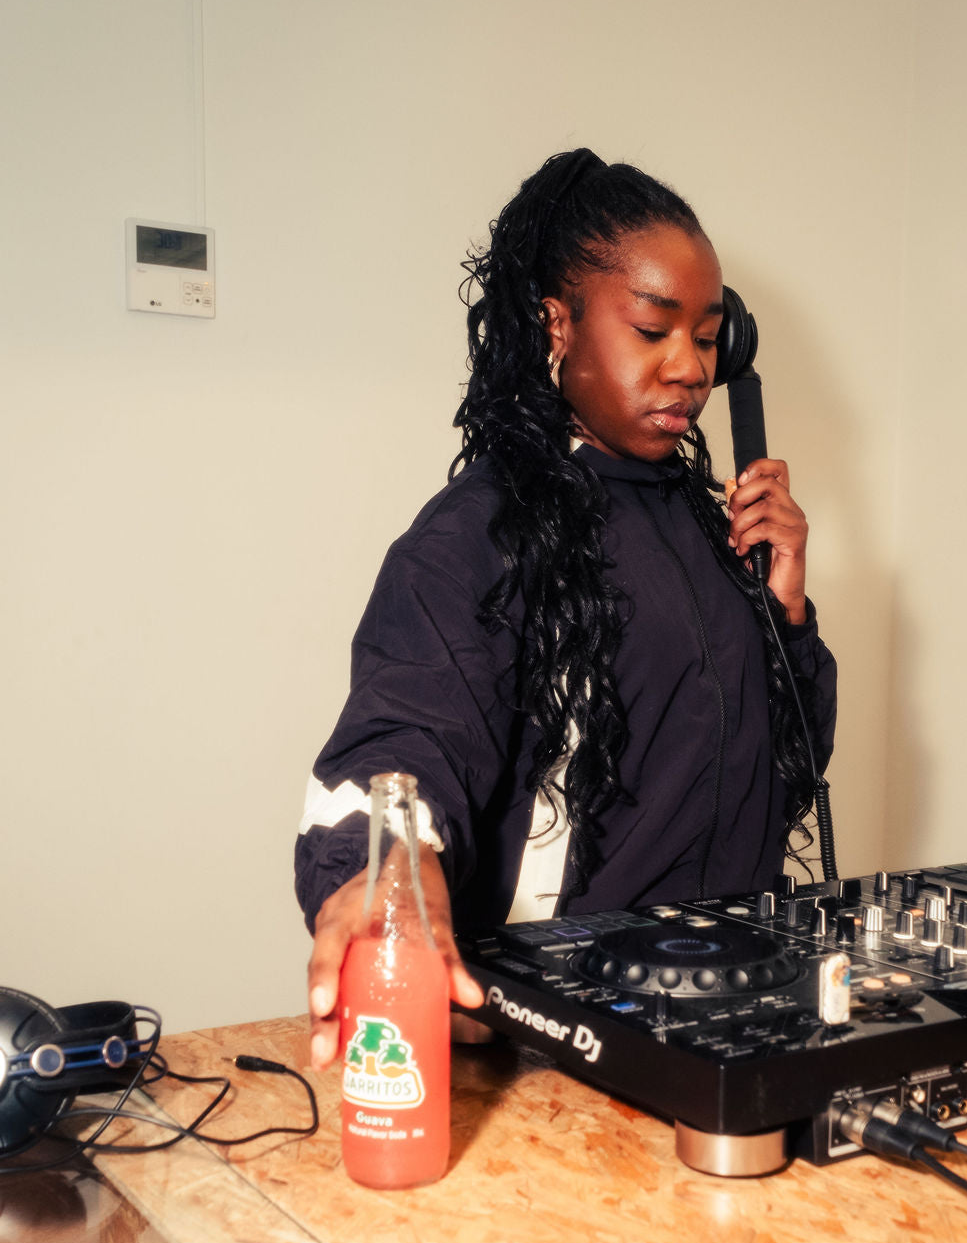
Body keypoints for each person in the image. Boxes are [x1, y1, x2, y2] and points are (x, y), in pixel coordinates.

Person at [297, 148, 837, 1070]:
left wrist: (786, 613)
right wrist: (390, 870)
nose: (688, 368)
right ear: (558, 323)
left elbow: (781, 775)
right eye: (653, 329)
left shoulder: (714, 531)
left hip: (727, 1021)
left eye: (708, 338)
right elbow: (403, 735)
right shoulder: (478, 532)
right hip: (560, 1048)